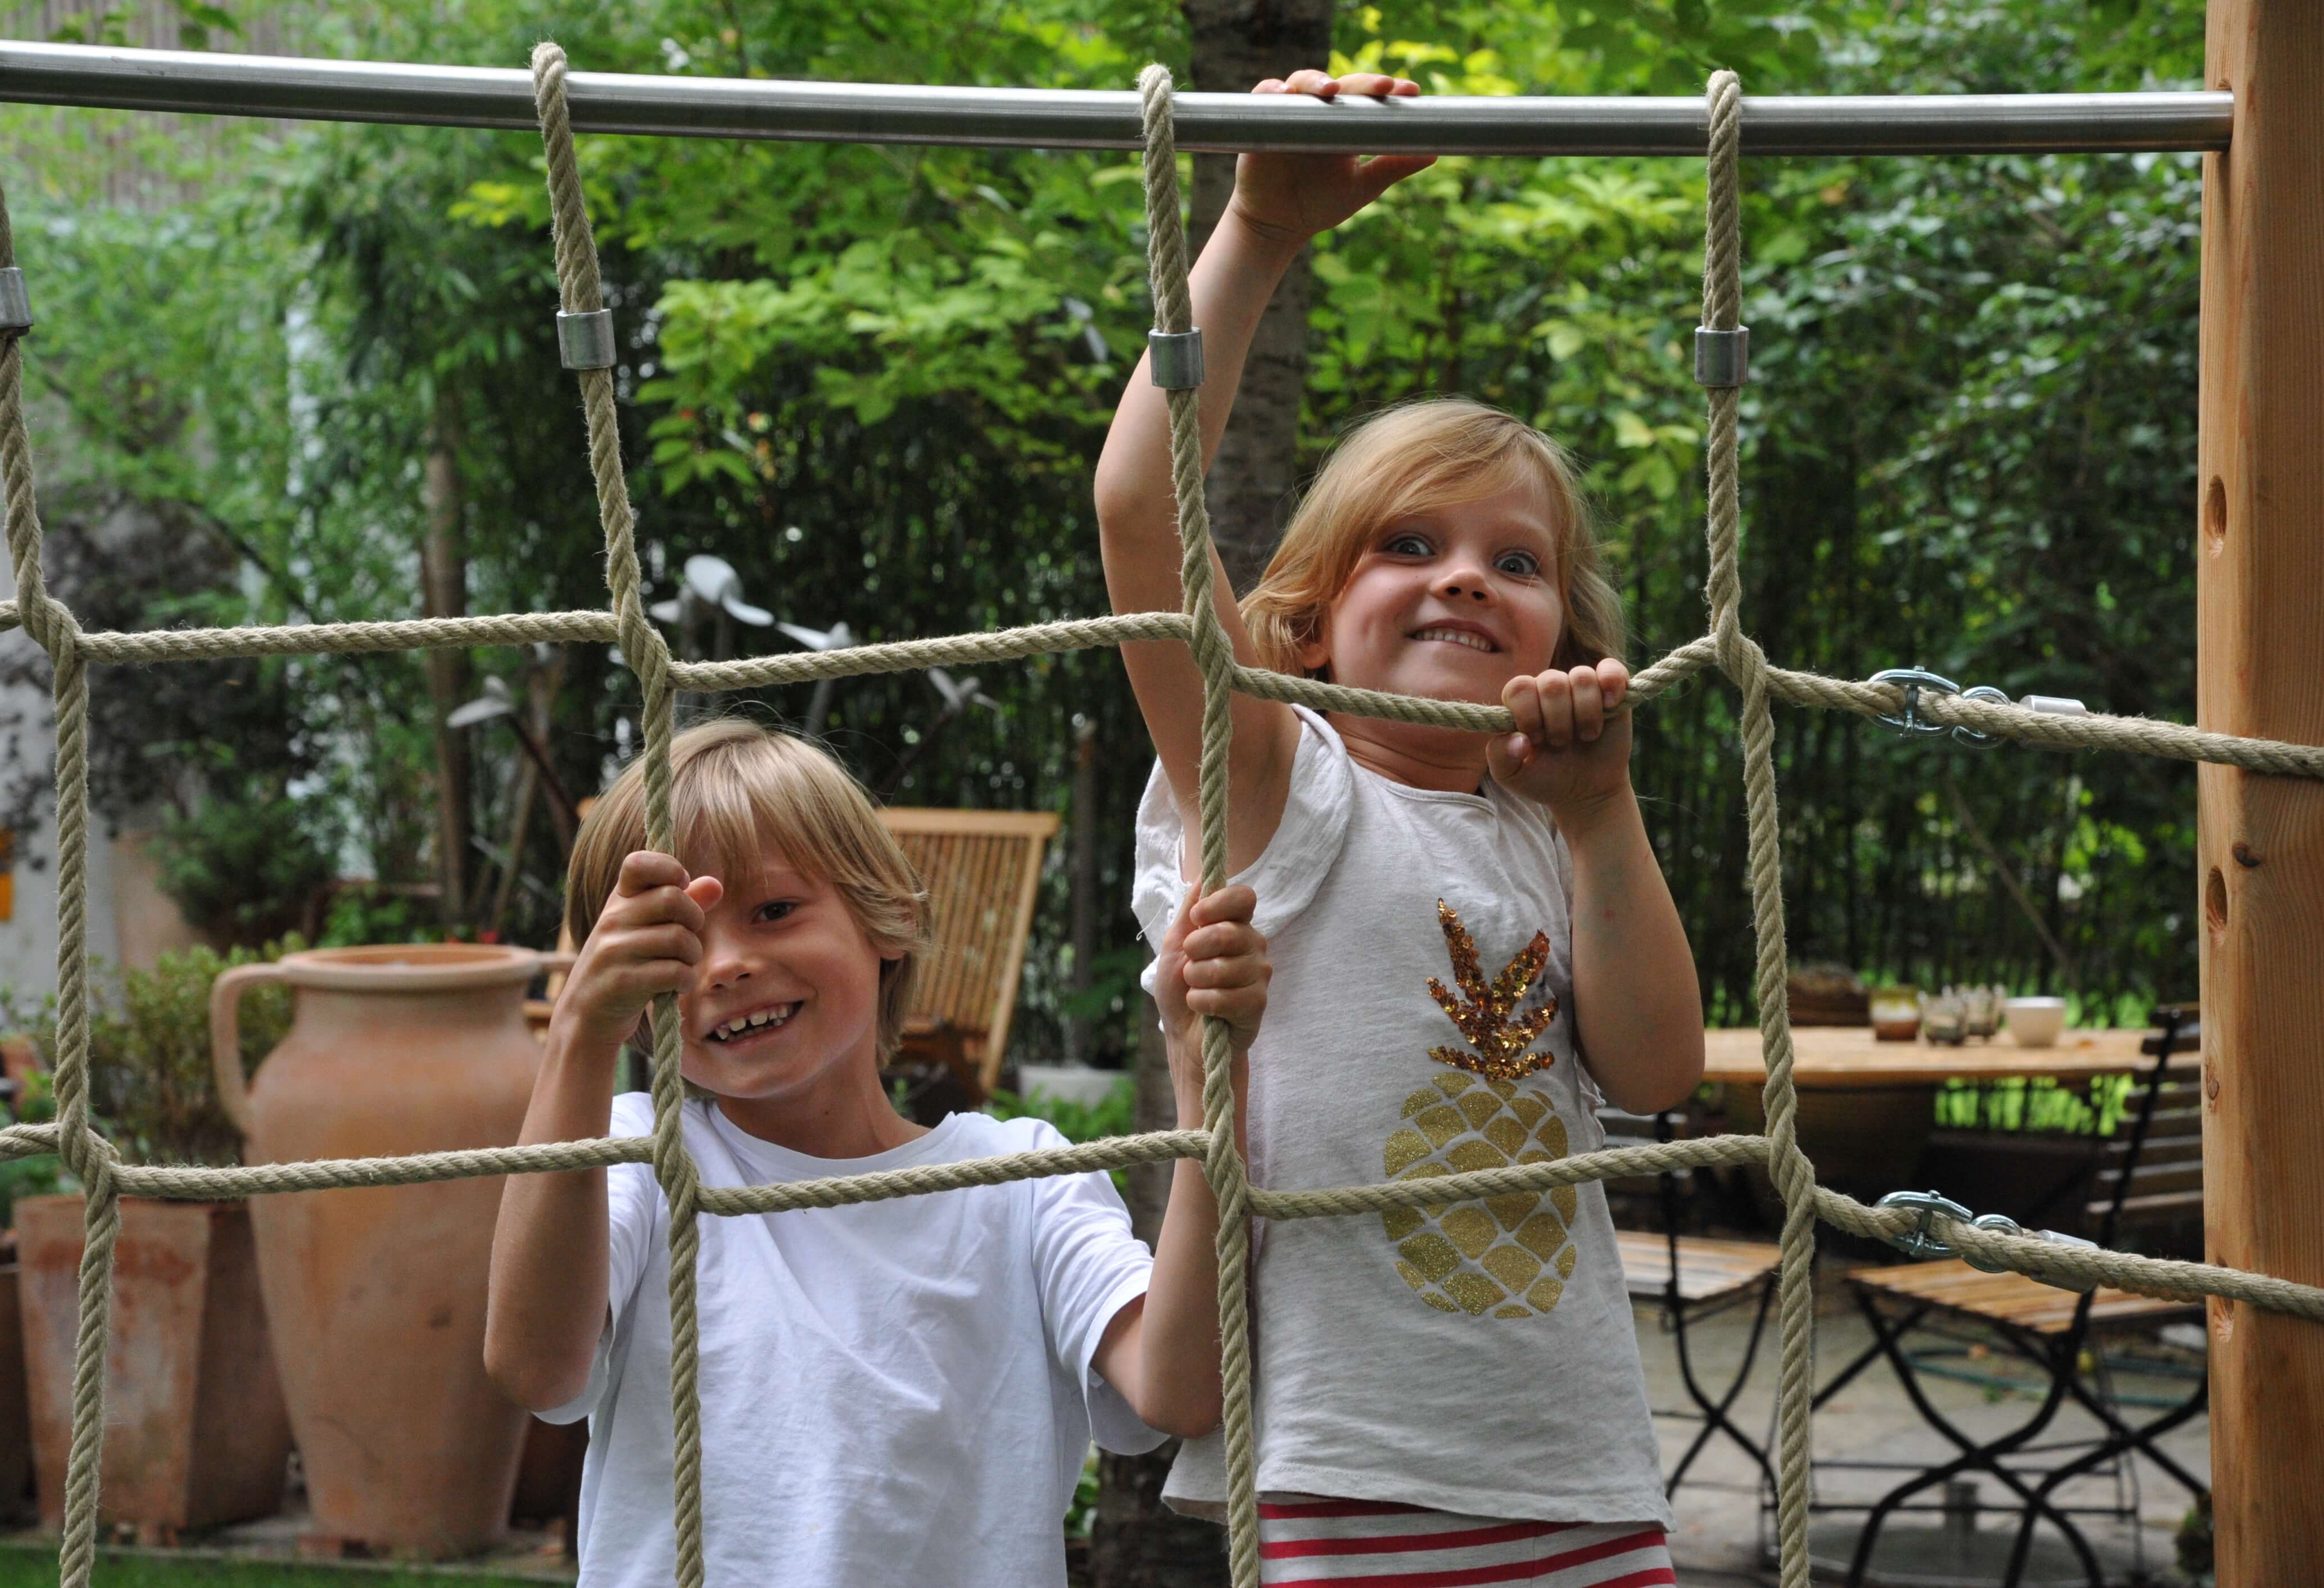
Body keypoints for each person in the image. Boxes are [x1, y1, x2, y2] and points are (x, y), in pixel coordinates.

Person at [1094, 66, 1706, 1587]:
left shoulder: (1542, 827)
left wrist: (1602, 808)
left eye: (1515, 560)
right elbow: (1131, 509)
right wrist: (1251, 232)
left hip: (1575, 1466)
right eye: (1408, 544)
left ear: (1557, 635)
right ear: (1299, 624)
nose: (1461, 579)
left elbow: (1657, 1068)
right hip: (1350, 1462)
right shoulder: (1276, 786)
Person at [484, 717, 1270, 1588]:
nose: (726, 966)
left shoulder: (1024, 1182)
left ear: (887, 918)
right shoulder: (646, 1159)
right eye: (679, 941)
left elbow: (1181, 1391)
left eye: (774, 911)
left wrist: (1207, 1093)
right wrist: (577, 1037)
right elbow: (535, 1369)